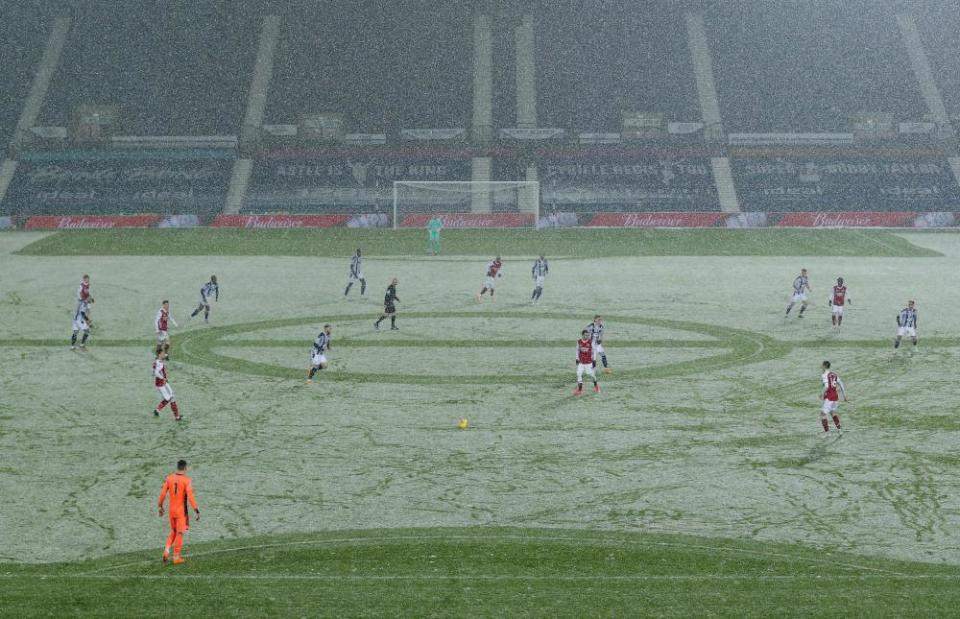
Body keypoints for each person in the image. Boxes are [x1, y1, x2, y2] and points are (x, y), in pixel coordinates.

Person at [158, 459, 199, 565]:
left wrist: (160, 506)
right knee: (180, 533)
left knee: (173, 531)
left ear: (177, 467)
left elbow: (162, 494)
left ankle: (166, 551)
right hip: (181, 512)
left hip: (171, 512)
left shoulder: (169, 478)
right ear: (185, 468)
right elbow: (190, 496)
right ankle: (176, 557)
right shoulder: (187, 480)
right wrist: (196, 509)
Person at [153, 345, 182, 421]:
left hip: (163, 383)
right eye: (162, 353)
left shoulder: (158, 360)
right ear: (159, 354)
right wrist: (163, 378)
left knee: (170, 397)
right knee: (170, 398)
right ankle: (176, 416)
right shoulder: (159, 362)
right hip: (162, 383)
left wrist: (167, 354)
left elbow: (165, 356)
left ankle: (159, 410)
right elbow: (156, 373)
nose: (164, 354)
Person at [819, 360, 846, 435]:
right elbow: (841, 384)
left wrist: (821, 394)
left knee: (822, 414)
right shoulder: (834, 374)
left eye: (821, 365)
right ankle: (840, 430)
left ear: (824, 366)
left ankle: (827, 433)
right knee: (833, 413)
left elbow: (826, 386)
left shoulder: (824, 375)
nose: (820, 366)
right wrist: (845, 395)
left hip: (829, 397)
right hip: (835, 397)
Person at [575, 329, 600, 395]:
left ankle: (596, 386)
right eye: (585, 335)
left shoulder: (591, 342)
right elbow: (577, 350)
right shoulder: (579, 342)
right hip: (581, 362)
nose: (587, 336)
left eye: (588, 335)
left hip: (589, 363)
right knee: (579, 374)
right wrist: (577, 359)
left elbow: (594, 351)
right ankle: (580, 390)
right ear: (582, 335)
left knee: (591, 375)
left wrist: (594, 360)